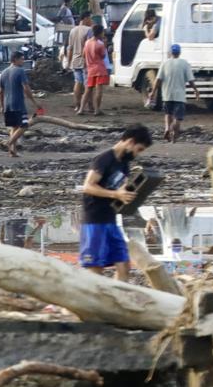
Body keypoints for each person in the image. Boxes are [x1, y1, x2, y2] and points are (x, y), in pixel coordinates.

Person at [79, 124, 153, 279]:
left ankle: (118, 299)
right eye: (138, 149)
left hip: (111, 219)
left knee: (124, 265)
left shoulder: (124, 164)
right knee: (96, 267)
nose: (137, 154)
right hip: (94, 220)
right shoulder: (104, 159)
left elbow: (121, 189)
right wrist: (115, 194)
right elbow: (87, 187)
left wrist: (130, 194)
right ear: (130, 142)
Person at [156, 42, 195, 143]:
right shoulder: (184, 63)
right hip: (179, 96)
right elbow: (190, 80)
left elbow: (158, 79)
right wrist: (196, 90)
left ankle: (167, 129)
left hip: (167, 95)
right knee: (178, 118)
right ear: (179, 53)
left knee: (168, 114)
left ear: (171, 53)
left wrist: (152, 93)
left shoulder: (165, 63)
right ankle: (174, 136)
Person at [0, 57, 34, 158]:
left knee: (14, 127)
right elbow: (26, 88)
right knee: (24, 125)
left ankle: (12, 151)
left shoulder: (3, 72)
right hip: (17, 103)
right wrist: (34, 101)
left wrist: (2, 105)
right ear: (14, 60)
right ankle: (9, 142)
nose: (23, 61)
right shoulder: (20, 71)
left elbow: (0, 91)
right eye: (21, 59)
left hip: (7, 104)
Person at [80, 22, 111, 116]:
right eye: (102, 32)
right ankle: (97, 110)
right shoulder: (100, 44)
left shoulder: (87, 42)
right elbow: (102, 56)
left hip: (90, 69)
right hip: (99, 69)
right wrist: (105, 45)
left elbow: (83, 54)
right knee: (99, 90)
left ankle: (81, 109)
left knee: (87, 90)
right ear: (100, 33)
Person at [66, 15, 91, 111]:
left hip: (75, 60)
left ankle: (77, 105)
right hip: (85, 61)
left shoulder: (73, 30)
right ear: (85, 18)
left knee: (77, 82)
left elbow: (70, 48)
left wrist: (69, 62)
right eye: (90, 18)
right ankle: (89, 106)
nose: (91, 20)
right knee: (88, 86)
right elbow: (89, 46)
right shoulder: (88, 30)